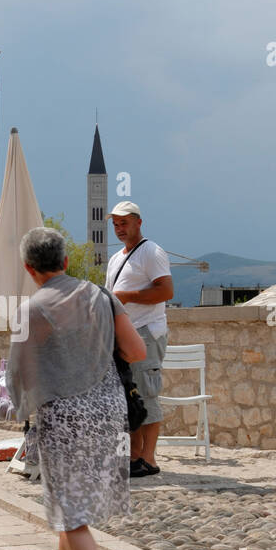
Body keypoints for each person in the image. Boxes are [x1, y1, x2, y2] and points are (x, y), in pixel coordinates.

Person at [6, 227, 147, 550]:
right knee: (75, 509)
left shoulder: (33, 309)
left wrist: (21, 410)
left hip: (63, 415)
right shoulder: (103, 297)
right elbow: (137, 351)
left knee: (68, 511)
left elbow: (18, 373)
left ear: (29, 269)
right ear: (66, 261)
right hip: (108, 411)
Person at [105, 200, 174, 478]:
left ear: (138, 222)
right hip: (125, 334)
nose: (120, 228)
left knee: (147, 393)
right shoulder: (116, 258)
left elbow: (166, 290)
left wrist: (128, 297)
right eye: (116, 224)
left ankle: (149, 458)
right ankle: (133, 456)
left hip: (146, 331)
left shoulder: (151, 252)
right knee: (129, 397)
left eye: (124, 222)